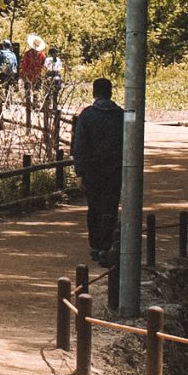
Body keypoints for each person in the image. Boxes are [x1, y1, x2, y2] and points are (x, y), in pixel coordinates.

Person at [70, 76, 124, 265]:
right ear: (110, 92)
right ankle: (106, 246)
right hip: (115, 170)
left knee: (94, 208)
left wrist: (79, 172)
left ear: (94, 92)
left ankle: (95, 246)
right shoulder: (121, 115)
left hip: (92, 171)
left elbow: (79, 146)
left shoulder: (87, 115)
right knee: (110, 207)